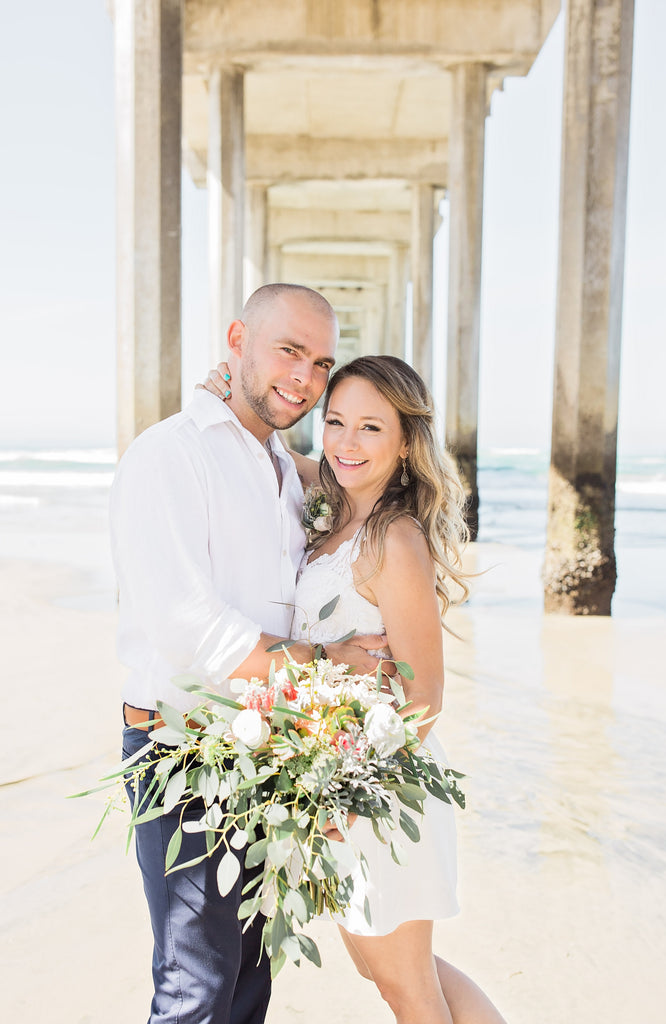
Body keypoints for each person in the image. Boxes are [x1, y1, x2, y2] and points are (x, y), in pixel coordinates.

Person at [110, 283, 389, 1024]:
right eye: (288, 350)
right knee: (195, 987)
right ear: (237, 339)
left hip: (270, 754)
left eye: (320, 363)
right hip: (184, 748)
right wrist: (328, 662)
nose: (304, 377)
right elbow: (187, 626)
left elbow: (357, 498)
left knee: (248, 984)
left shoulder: (282, 469)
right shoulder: (169, 454)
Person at [205, 354, 508, 1023]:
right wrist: (231, 390)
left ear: (405, 442)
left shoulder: (392, 538)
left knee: (404, 984)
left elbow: (424, 696)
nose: (346, 442)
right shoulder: (330, 514)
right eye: (335, 421)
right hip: (342, 781)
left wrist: (346, 792)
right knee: (387, 968)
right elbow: (275, 452)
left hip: (378, 788)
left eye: (371, 428)